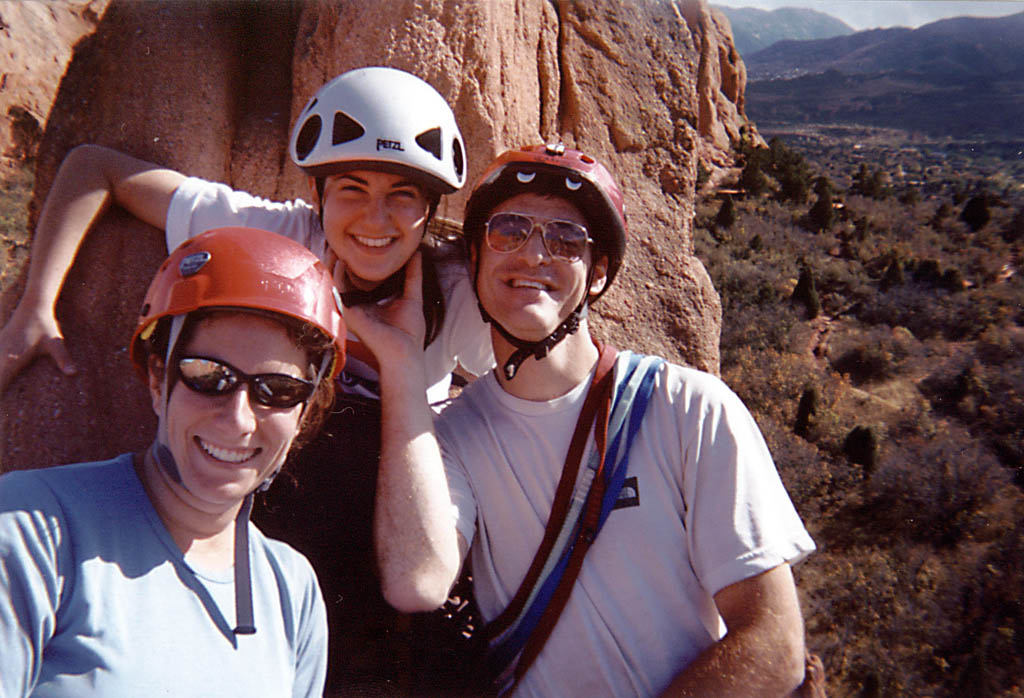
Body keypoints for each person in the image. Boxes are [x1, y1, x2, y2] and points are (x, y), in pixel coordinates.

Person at [0, 66, 493, 691]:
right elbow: (96, 168)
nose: (377, 218)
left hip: (385, 496)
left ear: (430, 210)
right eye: (352, 189)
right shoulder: (276, 238)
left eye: (403, 194)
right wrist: (35, 307)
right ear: (319, 194)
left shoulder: (452, 287)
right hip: (271, 480)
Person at [363, 143, 819, 696]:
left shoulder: (687, 408)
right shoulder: (453, 439)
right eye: (508, 230)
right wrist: (402, 366)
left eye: (565, 239)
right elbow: (416, 582)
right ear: (475, 259)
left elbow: (773, 642)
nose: (534, 254)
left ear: (598, 273)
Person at [0, 226, 345, 697]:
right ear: (159, 380)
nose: (239, 420)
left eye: (278, 390)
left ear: (302, 413)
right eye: (208, 375)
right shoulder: (32, 528)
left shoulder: (290, 588)